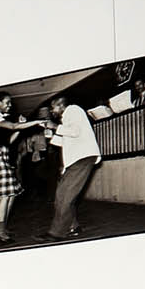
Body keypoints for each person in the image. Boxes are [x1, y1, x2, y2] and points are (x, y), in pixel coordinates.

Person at [41, 93, 102, 241]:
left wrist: (55, 126)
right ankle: (73, 227)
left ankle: (57, 233)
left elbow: (74, 132)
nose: (52, 111)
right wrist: (50, 134)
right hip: (76, 159)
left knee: (65, 196)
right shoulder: (67, 118)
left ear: (61, 105)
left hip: (82, 157)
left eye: (53, 108)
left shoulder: (73, 110)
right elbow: (61, 140)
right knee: (63, 194)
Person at [0, 94, 31, 244]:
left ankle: (2, 228)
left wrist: (20, 127)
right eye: (7, 102)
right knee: (5, 195)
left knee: (12, 194)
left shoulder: (2, 120)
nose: (10, 105)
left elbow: (9, 140)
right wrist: (35, 122)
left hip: (3, 155)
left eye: (10, 102)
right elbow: (13, 126)